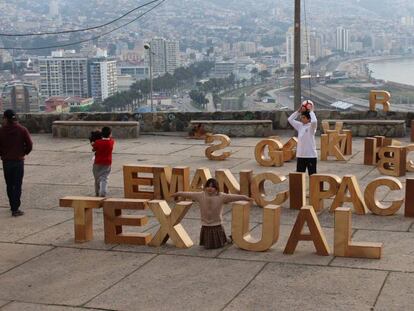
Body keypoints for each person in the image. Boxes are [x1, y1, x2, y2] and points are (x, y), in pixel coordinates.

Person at [172, 178, 253, 249]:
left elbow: (234, 197)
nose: (210, 188)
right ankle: (227, 239)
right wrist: (178, 193)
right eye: (208, 186)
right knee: (208, 246)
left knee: (219, 244)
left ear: (216, 188)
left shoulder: (222, 196)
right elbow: (188, 194)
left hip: (216, 224)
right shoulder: (200, 195)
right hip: (206, 224)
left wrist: (245, 197)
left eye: (212, 186)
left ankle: (229, 239)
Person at [0, 109, 33, 217]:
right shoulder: (22, 130)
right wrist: (23, 153)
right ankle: (16, 208)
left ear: (5, 118)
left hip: (7, 162)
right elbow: (29, 145)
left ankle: (12, 206)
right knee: (17, 185)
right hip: (18, 161)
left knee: (9, 185)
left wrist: (3, 154)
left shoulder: (1, 131)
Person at [288, 100, 318, 175]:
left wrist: (311, 111)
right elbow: (290, 119)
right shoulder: (300, 126)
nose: (301, 119)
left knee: (313, 176)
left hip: (311, 156)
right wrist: (298, 111)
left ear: (309, 119)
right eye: (301, 117)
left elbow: (314, 121)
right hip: (300, 156)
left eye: (304, 117)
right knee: (299, 178)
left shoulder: (312, 127)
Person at [92, 126, 115, 197]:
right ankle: (103, 192)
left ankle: (97, 192)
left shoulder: (97, 142)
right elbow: (110, 138)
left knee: (97, 178)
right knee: (104, 178)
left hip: (97, 162)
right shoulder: (111, 142)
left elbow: (94, 148)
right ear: (110, 134)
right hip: (107, 162)